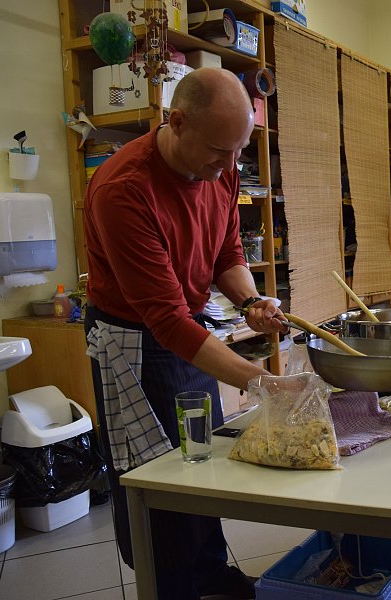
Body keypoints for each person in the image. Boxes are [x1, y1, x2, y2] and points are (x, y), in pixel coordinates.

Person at [83, 68, 289, 600]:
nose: (230, 166)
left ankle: (210, 575)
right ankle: (170, 586)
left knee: (203, 459)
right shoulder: (123, 189)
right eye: (220, 151)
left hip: (185, 328)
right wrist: (262, 382)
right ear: (176, 122)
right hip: (132, 343)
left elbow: (227, 254)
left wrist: (251, 302)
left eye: (238, 151)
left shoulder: (221, 168)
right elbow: (165, 320)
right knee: (158, 478)